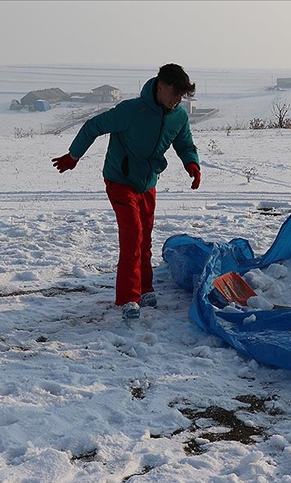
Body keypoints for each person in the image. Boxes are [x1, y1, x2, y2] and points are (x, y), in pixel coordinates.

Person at [51, 63, 201, 319]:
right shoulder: (131, 111)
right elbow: (92, 126)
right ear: (161, 86)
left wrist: (192, 163)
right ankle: (128, 298)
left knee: (144, 238)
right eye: (175, 94)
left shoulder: (178, 116)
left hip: (148, 183)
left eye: (182, 97)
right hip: (120, 179)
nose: (178, 101)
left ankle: (145, 287)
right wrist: (73, 156)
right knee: (132, 236)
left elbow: (184, 142)